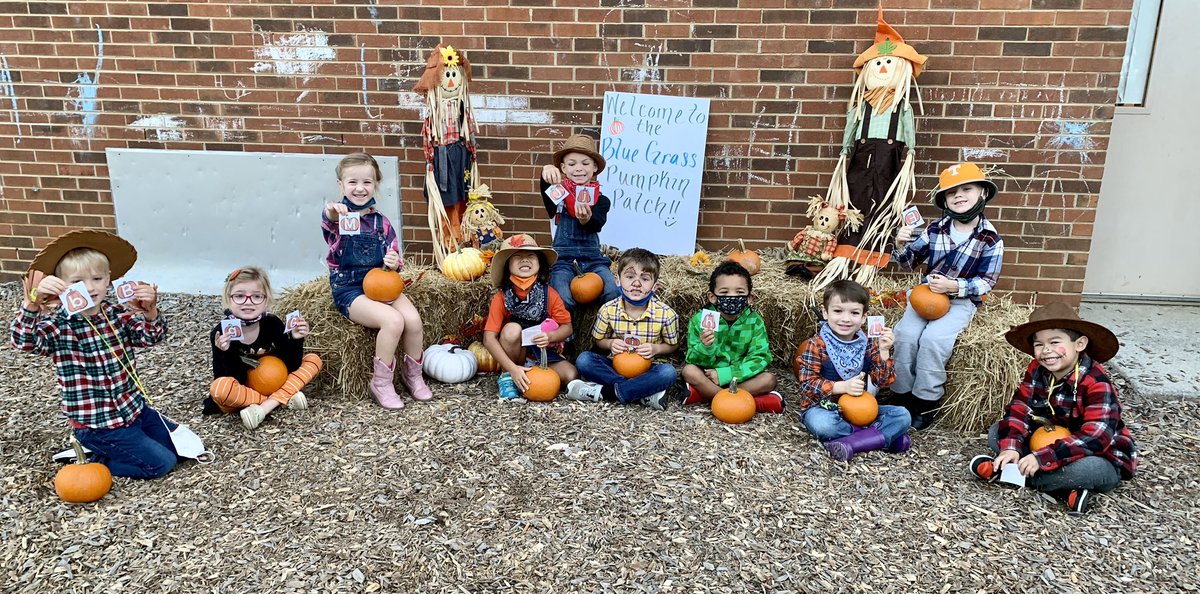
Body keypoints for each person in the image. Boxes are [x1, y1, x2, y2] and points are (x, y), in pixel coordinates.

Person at [11, 229, 179, 479]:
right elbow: (23, 341)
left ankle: (116, 449)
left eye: (97, 279)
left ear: (109, 279)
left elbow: (149, 337)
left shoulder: (114, 313)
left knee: (179, 447)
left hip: (134, 410)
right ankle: (97, 462)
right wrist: (33, 304)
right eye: (77, 281)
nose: (89, 288)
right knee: (162, 463)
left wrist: (150, 312)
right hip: (100, 426)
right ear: (61, 285)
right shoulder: (60, 324)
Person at [968, 302, 1137, 516]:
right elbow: (1019, 408)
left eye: (1055, 342)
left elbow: (1096, 437)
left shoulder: (1096, 382)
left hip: (1097, 455)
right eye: (1039, 345)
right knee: (997, 432)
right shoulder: (1037, 371)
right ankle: (1064, 490)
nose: (1046, 350)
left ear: (1080, 344)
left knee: (1087, 471)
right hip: (1050, 441)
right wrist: (1011, 447)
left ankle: (1006, 474)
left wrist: (1041, 458)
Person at [889, 162, 1004, 429]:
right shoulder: (934, 229)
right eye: (952, 192)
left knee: (934, 340)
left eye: (967, 189)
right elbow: (908, 262)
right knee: (906, 335)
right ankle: (901, 393)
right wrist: (900, 244)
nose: (959, 196)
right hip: (925, 295)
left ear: (982, 194)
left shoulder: (990, 239)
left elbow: (987, 282)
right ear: (945, 200)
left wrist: (955, 287)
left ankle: (925, 400)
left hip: (960, 301)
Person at [322, 152, 431, 409]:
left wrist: (393, 261)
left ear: (376, 185)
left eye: (367, 182)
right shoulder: (340, 217)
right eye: (352, 182)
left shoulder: (381, 223)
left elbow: (394, 255)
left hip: (381, 283)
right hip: (350, 288)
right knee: (393, 321)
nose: (360, 188)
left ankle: (413, 375)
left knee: (413, 321)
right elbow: (329, 220)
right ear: (341, 185)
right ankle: (381, 382)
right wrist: (332, 210)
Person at [793, 280, 911, 461]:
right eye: (838, 311)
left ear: (864, 317)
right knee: (823, 426)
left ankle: (852, 443)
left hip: (860, 409)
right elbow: (808, 384)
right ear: (825, 312)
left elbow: (884, 382)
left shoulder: (868, 343)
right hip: (824, 408)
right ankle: (881, 437)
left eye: (854, 313)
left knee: (902, 415)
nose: (846, 319)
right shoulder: (816, 344)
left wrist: (884, 351)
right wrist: (843, 387)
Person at [204, 267, 323, 429]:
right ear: (228, 299)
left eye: (256, 296)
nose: (248, 302)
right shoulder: (221, 333)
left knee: (313, 360)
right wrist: (225, 352)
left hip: (276, 382)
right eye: (239, 296)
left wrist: (296, 339)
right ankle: (282, 399)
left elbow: (291, 366)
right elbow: (226, 377)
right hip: (244, 393)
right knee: (220, 389)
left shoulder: (272, 324)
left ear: (266, 300)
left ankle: (265, 407)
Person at [568, 248, 680, 411]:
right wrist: (611, 344)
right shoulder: (608, 309)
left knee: (668, 373)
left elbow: (673, 345)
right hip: (614, 365)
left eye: (645, 278)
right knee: (584, 360)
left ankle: (605, 392)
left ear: (655, 286)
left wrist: (656, 348)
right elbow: (599, 341)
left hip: (648, 369)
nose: (636, 283)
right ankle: (641, 393)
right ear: (618, 281)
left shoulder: (666, 314)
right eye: (630, 276)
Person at [481, 234, 577, 399]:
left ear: (540, 264)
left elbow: (567, 327)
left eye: (531, 256)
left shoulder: (550, 294)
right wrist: (511, 368)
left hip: (542, 354)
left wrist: (551, 336)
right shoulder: (502, 298)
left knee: (571, 375)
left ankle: (532, 375)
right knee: (512, 329)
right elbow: (489, 338)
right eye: (517, 256)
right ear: (507, 266)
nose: (524, 260)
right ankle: (510, 376)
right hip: (516, 356)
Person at [680, 261, 783, 413]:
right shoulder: (700, 320)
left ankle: (709, 396)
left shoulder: (754, 321)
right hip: (709, 376)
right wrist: (706, 347)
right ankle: (752, 401)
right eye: (724, 292)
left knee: (769, 379)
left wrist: (726, 374)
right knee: (689, 371)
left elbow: (760, 358)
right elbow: (692, 359)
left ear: (749, 298)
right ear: (712, 297)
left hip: (740, 378)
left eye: (740, 293)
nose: (732, 297)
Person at [538, 134, 619, 316]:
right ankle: (566, 341)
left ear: (595, 167)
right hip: (564, 261)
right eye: (572, 164)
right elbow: (545, 190)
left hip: (593, 260)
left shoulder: (601, 200)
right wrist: (546, 172)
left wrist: (585, 219)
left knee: (612, 291)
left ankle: (604, 337)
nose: (579, 169)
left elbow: (597, 224)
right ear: (563, 168)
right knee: (561, 296)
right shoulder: (557, 197)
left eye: (585, 163)